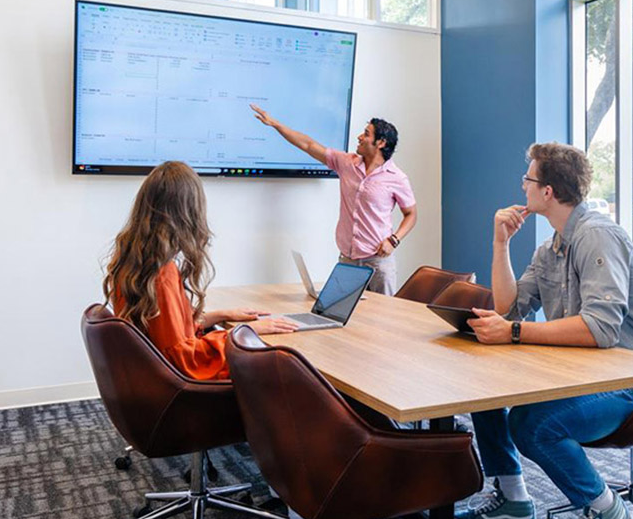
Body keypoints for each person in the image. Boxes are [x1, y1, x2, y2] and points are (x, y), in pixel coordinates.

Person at [456, 143, 633, 519]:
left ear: (548, 191)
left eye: (528, 179)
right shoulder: (551, 246)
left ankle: (603, 506)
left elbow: (601, 328)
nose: (523, 186)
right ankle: (514, 500)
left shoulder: (597, 235)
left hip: (629, 379)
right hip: (583, 372)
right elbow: (507, 308)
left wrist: (513, 333)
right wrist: (500, 245)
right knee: (483, 386)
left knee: (533, 423)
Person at [103, 160, 298, 380]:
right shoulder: (162, 274)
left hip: (154, 381)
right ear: (187, 213)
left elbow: (164, 332)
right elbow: (184, 356)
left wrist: (221, 315)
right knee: (283, 369)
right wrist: (244, 332)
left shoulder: (132, 260)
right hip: (186, 390)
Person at [250, 104, 417, 295]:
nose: (359, 137)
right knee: (338, 313)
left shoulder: (396, 177)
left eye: (366, 134)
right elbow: (308, 145)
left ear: (381, 143)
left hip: (379, 262)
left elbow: (411, 214)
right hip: (348, 260)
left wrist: (394, 240)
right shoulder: (346, 163)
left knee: (383, 319)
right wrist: (275, 124)